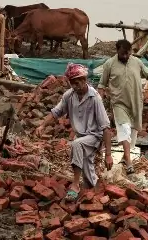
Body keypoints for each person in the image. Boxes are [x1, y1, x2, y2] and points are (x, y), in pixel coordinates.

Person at [98, 39, 148, 174]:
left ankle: (125, 157)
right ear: (117, 51)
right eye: (122, 54)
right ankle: (129, 162)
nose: (125, 56)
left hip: (135, 103)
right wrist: (98, 102)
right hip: (119, 104)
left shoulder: (136, 62)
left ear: (130, 52)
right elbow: (101, 85)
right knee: (123, 128)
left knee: (133, 132)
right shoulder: (109, 64)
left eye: (127, 54)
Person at [36, 63, 112, 200]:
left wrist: (108, 154)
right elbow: (56, 112)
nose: (75, 86)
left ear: (84, 80)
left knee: (76, 144)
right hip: (81, 136)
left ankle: (75, 184)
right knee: (89, 177)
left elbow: (106, 128)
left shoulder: (95, 98)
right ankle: (93, 191)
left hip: (95, 136)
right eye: (72, 83)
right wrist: (42, 126)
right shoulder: (69, 96)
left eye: (77, 82)